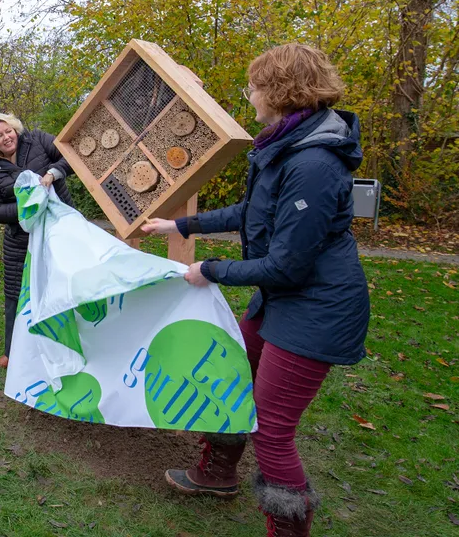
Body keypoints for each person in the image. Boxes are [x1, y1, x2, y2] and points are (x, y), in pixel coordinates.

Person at [142, 43, 370, 536]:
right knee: (232, 377)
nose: (249, 94)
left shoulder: (313, 162)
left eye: (255, 86)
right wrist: (180, 226)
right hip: (282, 302)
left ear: (281, 91)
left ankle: (289, 529)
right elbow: (250, 212)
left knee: (272, 429)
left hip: (317, 311)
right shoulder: (284, 143)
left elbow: (287, 264)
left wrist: (212, 269)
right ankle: (218, 474)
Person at [0, 113, 74, 369]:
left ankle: (67, 347)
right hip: (20, 240)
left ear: (16, 130)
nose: (6, 137)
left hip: (59, 230)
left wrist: (54, 172)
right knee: (16, 294)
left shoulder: (39, 140)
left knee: (61, 286)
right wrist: (27, 206)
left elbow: (71, 155)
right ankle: (12, 352)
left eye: (8, 131)